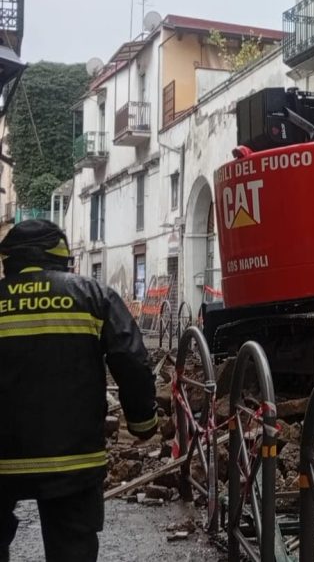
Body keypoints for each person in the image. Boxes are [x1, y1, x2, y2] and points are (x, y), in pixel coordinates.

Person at [0, 219, 158, 562]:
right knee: (71, 549)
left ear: (8, 259)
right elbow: (132, 360)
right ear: (61, 257)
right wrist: (143, 422)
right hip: (73, 461)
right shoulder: (92, 296)